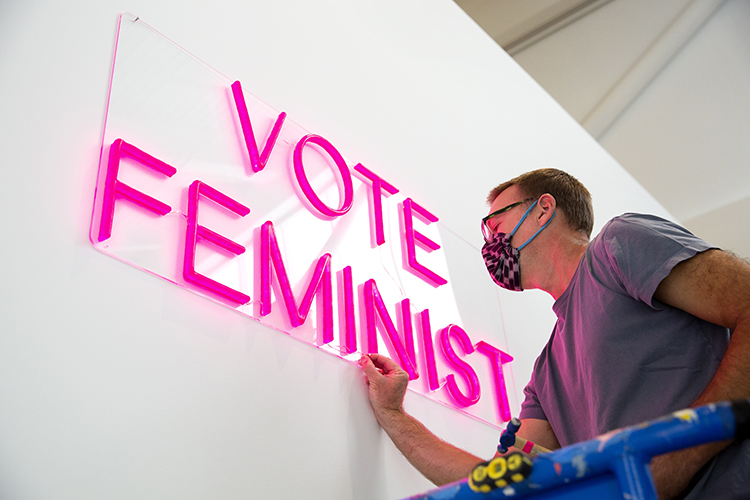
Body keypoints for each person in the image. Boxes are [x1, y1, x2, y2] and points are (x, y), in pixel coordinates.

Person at [359, 168, 750, 499]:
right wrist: (394, 414)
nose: (489, 244)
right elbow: (501, 487)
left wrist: (677, 456)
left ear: (543, 209)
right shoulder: (546, 373)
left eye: (495, 224)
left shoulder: (619, 246)